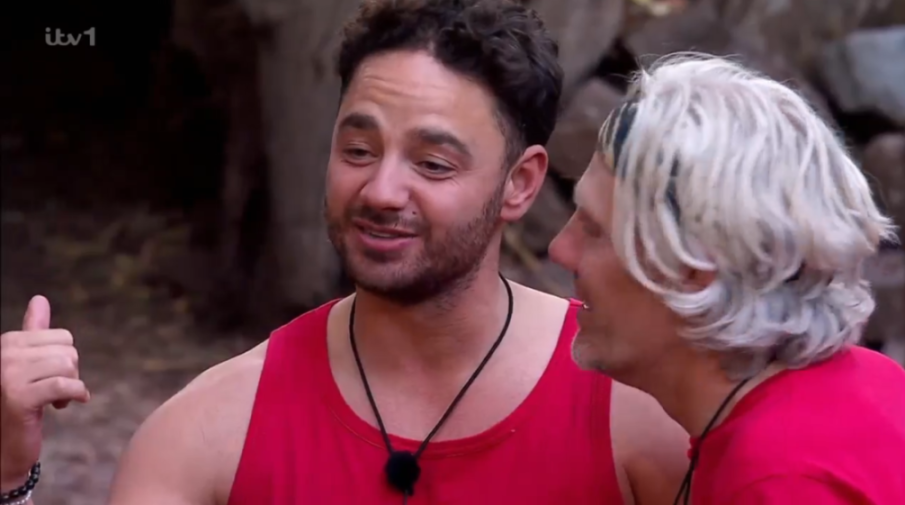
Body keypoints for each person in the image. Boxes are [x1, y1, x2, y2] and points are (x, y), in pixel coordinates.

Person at [0, 1, 690, 504]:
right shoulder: (211, 432)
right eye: (357, 150)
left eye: (433, 163)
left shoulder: (636, 406)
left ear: (520, 183)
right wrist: (7, 475)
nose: (382, 189)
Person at [549, 52, 905, 505]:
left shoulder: (778, 481)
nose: (561, 249)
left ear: (692, 270)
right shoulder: (870, 384)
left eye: (595, 230)